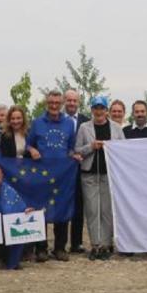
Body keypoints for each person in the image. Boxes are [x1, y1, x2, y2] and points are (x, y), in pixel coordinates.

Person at [27, 90, 79, 261]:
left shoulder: (69, 123)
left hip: (62, 174)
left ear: (62, 103)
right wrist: (32, 149)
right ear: (46, 104)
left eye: (57, 103)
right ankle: (41, 248)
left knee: (61, 209)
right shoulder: (37, 123)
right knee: (41, 210)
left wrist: (73, 155)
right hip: (41, 174)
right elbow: (28, 144)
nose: (54, 106)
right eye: (51, 103)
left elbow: (71, 146)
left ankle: (59, 248)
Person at [74, 96, 126, 260]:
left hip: (109, 174)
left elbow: (124, 149)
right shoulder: (84, 127)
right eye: (95, 108)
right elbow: (77, 150)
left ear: (106, 110)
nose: (98, 111)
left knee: (107, 210)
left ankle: (106, 244)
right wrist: (91, 146)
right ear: (92, 110)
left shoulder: (117, 128)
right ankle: (95, 244)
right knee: (92, 210)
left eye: (101, 108)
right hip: (89, 173)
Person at [63, 88, 89, 255]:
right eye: (69, 100)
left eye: (75, 101)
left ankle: (76, 243)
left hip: (81, 168)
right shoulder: (57, 120)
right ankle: (61, 244)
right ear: (64, 102)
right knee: (64, 205)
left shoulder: (86, 121)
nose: (72, 103)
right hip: (63, 169)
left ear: (79, 102)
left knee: (79, 206)